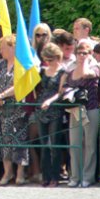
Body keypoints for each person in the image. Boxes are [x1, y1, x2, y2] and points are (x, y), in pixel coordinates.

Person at [0, 34, 28, 185]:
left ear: (13, 47)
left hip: (17, 107)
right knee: (2, 139)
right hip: (0, 108)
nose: (1, 51)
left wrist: (3, 95)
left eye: (3, 48)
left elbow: (20, 85)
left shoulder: (21, 65)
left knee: (18, 138)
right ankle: (7, 172)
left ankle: (20, 173)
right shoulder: (0, 65)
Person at [64, 40, 99, 188]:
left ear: (90, 53)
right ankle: (75, 176)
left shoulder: (96, 67)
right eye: (79, 52)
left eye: (85, 52)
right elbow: (68, 82)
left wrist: (86, 61)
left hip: (91, 108)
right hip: (75, 110)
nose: (81, 55)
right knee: (75, 144)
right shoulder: (71, 68)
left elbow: (86, 74)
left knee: (90, 144)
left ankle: (88, 177)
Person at [34, 43, 66, 187]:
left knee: (54, 144)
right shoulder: (42, 71)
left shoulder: (63, 72)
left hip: (55, 109)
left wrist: (50, 101)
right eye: (46, 59)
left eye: (51, 59)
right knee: (44, 145)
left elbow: (61, 92)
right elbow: (35, 87)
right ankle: (45, 176)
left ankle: (55, 176)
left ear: (58, 57)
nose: (48, 62)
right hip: (41, 108)